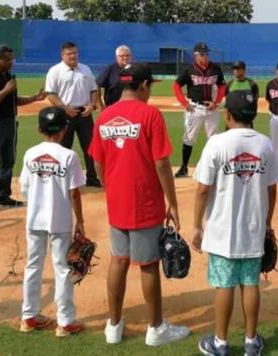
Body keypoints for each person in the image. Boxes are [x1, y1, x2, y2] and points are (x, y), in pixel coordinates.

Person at [88, 64, 189, 346]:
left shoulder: (104, 116)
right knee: (147, 264)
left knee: (118, 259)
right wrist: (173, 201)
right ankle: (156, 328)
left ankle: (114, 325)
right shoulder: (150, 114)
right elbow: (161, 163)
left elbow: (97, 161)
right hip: (144, 200)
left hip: (116, 200)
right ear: (143, 85)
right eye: (150, 86)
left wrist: (111, 188)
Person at [192, 90, 278, 356]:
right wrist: (267, 223)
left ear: (228, 114)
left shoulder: (217, 143)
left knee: (225, 285)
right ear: (253, 114)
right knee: (250, 283)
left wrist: (197, 226)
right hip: (254, 227)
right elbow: (272, 189)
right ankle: (251, 341)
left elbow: (202, 189)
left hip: (222, 230)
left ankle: (220, 343)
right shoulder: (265, 144)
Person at [19, 106, 85, 337]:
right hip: (59, 219)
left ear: (39, 129)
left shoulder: (29, 153)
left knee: (32, 266)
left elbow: (24, 187)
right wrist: (81, 221)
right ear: (65, 129)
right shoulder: (69, 156)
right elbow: (75, 192)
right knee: (62, 268)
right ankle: (65, 322)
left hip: (34, 218)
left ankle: (29, 317)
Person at [0, 44, 46, 215]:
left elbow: (14, 101)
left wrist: (34, 98)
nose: (12, 62)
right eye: (8, 59)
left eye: (12, 59)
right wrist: (6, 90)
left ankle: (3, 196)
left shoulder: (8, 76)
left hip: (10, 124)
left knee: (8, 161)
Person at [45, 41, 101, 187]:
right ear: (62, 55)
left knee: (90, 146)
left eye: (75, 53)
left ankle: (92, 177)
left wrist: (92, 105)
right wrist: (64, 108)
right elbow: (50, 94)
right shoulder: (55, 71)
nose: (73, 56)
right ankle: (63, 179)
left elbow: (94, 90)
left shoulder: (86, 69)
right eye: (70, 54)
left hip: (84, 113)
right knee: (63, 147)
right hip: (64, 113)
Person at [173, 42, 226, 178]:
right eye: (202, 54)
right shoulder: (189, 70)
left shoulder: (215, 68)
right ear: (196, 55)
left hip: (211, 108)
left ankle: (214, 168)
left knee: (214, 139)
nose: (205, 57)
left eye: (207, 54)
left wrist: (217, 102)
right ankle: (184, 167)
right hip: (194, 109)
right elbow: (176, 85)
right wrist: (184, 103)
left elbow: (222, 86)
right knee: (189, 138)